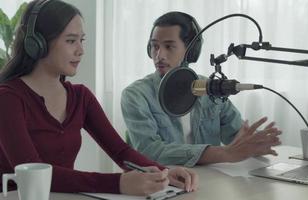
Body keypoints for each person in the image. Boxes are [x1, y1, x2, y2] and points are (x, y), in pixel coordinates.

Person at [0, 0, 198, 195]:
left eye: (81, 40)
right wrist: (117, 183)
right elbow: (33, 172)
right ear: (38, 44)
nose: (81, 50)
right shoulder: (8, 98)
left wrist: (164, 171)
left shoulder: (80, 97)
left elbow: (121, 151)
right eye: (70, 40)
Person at [121, 11, 282, 167]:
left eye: (169, 47)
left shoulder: (210, 88)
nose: (159, 55)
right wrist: (225, 153)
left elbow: (235, 136)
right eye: (154, 46)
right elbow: (150, 151)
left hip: (209, 181)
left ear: (190, 51)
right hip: (164, 183)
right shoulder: (135, 95)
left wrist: (253, 143)